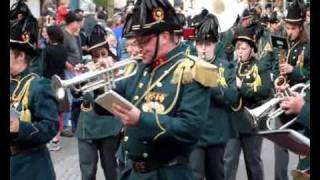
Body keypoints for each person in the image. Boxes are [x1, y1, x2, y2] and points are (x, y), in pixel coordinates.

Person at [101, 0, 218, 179]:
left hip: (168, 173)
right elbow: (104, 105)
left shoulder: (191, 70)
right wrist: (99, 81)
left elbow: (190, 129)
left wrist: (140, 119)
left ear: (164, 36)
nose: (139, 47)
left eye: (144, 41)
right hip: (133, 173)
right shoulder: (140, 66)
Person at [10, 7, 59, 180]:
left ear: (21, 55)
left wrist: (20, 128)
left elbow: (51, 126)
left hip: (30, 168)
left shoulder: (39, 85)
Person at [189, 10, 238, 180]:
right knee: (194, 175)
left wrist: (211, 85)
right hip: (194, 132)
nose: (203, 48)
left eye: (208, 44)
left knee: (217, 175)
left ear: (215, 44)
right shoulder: (187, 65)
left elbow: (232, 97)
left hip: (216, 134)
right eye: (200, 43)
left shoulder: (226, 67)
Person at [224, 28, 273, 180]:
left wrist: (241, 87)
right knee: (228, 161)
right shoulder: (231, 67)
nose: (240, 52)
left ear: (252, 49)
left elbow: (266, 90)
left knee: (253, 162)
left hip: (252, 122)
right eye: (238, 48)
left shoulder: (261, 66)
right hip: (233, 121)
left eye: (244, 48)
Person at [74, 24, 120, 180]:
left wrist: (110, 72)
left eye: (103, 54)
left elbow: (119, 94)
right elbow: (76, 95)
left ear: (109, 52)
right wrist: (78, 78)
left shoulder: (117, 67)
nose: (99, 59)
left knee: (111, 169)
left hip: (109, 125)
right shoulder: (86, 67)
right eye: (95, 55)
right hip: (87, 126)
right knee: (87, 172)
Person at [273, 2, 310, 179]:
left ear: (301, 27)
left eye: (293, 28)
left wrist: (294, 71)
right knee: (279, 148)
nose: (289, 32)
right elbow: (275, 65)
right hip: (285, 100)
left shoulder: (308, 44)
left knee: (304, 148)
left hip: (303, 102)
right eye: (287, 27)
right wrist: (277, 80)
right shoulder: (284, 41)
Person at [43, 25, 69, 151]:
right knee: (59, 111)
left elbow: (44, 67)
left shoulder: (47, 50)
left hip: (49, 81)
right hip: (61, 80)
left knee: (49, 110)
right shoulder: (63, 49)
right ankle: (56, 139)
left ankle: (50, 138)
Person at [61, 11, 83, 137]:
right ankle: (65, 125)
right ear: (71, 23)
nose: (78, 24)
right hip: (68, 70)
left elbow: (77, 51)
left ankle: (72, 123)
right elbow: (63, 53)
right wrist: (68, 65)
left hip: (75, 69)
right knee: (68, 98)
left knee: (75, 97)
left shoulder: (74, 35)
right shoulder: (64, 35)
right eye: (76, 22)